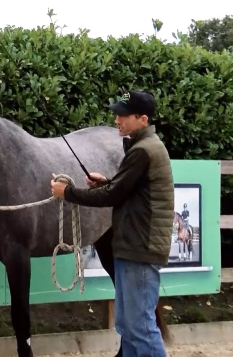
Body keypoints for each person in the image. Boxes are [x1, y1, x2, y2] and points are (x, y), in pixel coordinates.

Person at [50, 90, 174, 357]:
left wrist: (68, 193)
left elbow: (113, 196)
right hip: (133, 245)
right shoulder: (141, 148)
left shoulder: (143, 150)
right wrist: (108, 181)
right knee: (128, 326)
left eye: (123, 116)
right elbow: (129, 190)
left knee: (140, 327)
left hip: (139, 246)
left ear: (142, 119)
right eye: (116, 114)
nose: (117, 120)